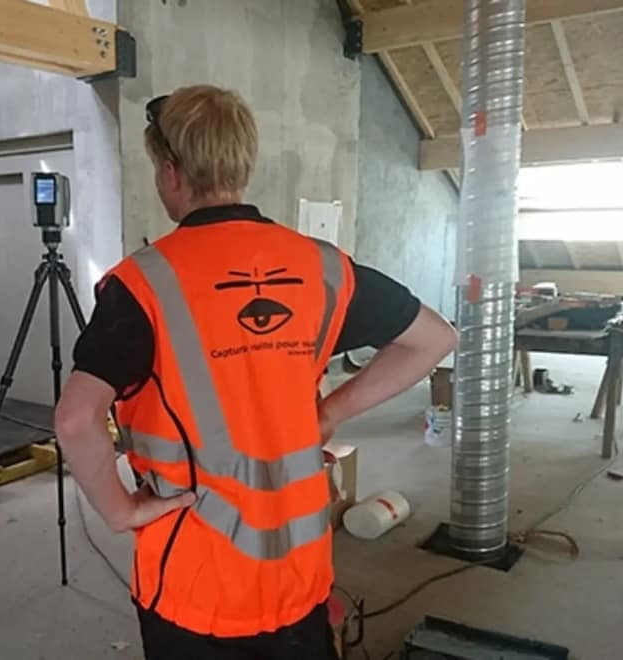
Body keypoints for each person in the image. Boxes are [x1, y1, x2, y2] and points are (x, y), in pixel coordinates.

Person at [54, 85, 458, 660]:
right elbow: (434, 338)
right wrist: (330, 412)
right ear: (241, 165)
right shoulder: (322, 268)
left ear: (170, 172)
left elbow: (74, 421)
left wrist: (121, 512)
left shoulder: (142, 285)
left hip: (194, 585)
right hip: (300, 577)